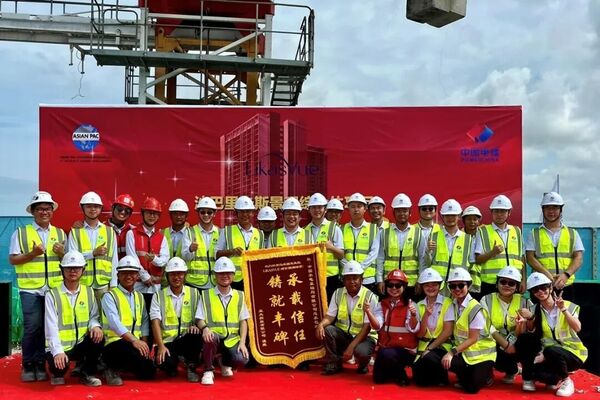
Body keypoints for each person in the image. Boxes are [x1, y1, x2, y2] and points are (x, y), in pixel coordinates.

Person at [9, 191, 66, 382]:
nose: (44, 212)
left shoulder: (60, 233)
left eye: (47, 209)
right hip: (30, 289)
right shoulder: (21, 233)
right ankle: (28, 364)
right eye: (40, 209)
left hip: (53, 289)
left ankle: (41, 363)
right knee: (32, 327)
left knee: (47, 328)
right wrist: (32, 254)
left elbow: (67, 261)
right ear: (33, 211)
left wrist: (62, 253)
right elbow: (13, 259)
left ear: (52, 211)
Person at [515, 272, 587, 397]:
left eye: (543, 287)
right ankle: (535, 378)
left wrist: (563, 309)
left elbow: (577, 327)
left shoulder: (568, 305)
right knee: (526, 342)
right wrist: (528, 320)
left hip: (573, 354)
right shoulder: (533, 310)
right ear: (532, 293)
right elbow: (529, 334)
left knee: (551, 350)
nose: (540, 292)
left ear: (551, 288)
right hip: (548, 354)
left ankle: (567, 381)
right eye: (535, 289)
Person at [44, 251, 104, 386]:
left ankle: (87, 373)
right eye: (68, 268)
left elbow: (94, 316)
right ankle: (57, 371)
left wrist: (95, 326)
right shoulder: (52, 295)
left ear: (83, 270)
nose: (73, 271)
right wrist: (58, 352)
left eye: (77, 268)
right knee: (59, 369)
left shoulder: (88, 291)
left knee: (99, 337)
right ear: (62, 270)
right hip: (61, 346)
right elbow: (50, 327)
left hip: (80, 343)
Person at [316, 261, 378, 375]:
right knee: (327, 329)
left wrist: (351, 348)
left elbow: (366, 328)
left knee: (362, 352)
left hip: (365, 337)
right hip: (345, 335)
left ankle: (363, 365)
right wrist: (321, 324)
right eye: (348, 278)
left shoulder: (370, 296)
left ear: (362, 279)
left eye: (355, 278)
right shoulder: (338, 293)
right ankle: (334, 363)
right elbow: (330, 317)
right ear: (343, 280)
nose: (352, 281)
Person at [101, 256, 155, 385]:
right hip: (114, 343)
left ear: (137, 276)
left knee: (149, 372)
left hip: (134, 343)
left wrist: (144, 344)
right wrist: (135, 341)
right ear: (118, 275)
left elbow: (144, 321)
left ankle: (125, 366)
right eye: (124, 273)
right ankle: (109, 367)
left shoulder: (139, 296)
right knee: (126, 350)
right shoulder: (109, 296)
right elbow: (114, 323)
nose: (128, 276)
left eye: (132, 273)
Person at [196, 257, 250, 385]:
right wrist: (205, 328)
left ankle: (224, 363)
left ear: (233, 275)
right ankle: (208, 370)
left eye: (228, 273)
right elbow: (199, 318)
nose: (225, 276)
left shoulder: (240, 295)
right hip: (213, 338)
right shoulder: (206, 295)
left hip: (232, 340)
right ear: (215, 275)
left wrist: (242, 343)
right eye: (221, 273)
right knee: (210, 338)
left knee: (242, 359)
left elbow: (243, 321)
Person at [442, 267, 496, 394]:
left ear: (469, 286)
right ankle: (465, 374)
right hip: (465, 353)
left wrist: (451, 353)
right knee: (440, 358)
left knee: (471, 389)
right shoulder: (452, 305)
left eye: (461, 285)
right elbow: (447, 331)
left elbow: (473, 338)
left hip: (483, 355)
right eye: (453, 286)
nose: (457, 289)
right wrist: (430, 349)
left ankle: (486, 373)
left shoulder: (475, 308)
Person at [150, 257, 202, 382]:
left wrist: (196, 326)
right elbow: (155, 323)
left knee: (195, 335)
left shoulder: (194, 293)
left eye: (180, 274)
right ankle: (174, 363)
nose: (176, 277)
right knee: (165, 363)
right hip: (168, 342)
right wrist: (161, 346)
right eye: (173, 274)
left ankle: (191, 366)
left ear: (185, 275)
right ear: (167, 276)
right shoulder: (159, 296)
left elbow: (200, 317)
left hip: (186, 339)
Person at [525, 192, 584, 299]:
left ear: (561, 209)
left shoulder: (572, 233)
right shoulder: (534, 233)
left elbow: (578, 258)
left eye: (555, 208)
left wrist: (566, 275)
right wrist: (547, 275)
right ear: (542, 209)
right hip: (541, 286)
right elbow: (530, 258)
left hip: (566, 285)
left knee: (566, 310)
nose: (551, 211)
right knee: (539, 311)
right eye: (547, 208)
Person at [365, 269, 418, 385]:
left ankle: (401, 375)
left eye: (398, 285)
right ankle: (394, 371)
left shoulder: (411, 305)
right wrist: (368, 313)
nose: (394, 288)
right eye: (390, 285)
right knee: (378, 379)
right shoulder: (381, 304)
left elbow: (414, 328)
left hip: (407, 351)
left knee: (386, 355)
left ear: (404, 287)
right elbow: (377, 326)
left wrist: (413, 316)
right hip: (386, 349)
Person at [480, 266, 530, 384]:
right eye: (503, 282)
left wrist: (527, 319)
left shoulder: (525, 302)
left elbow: (532, 325)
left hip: (516, 340)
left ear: (517, 287)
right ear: (497, 284)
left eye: (511, 283)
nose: (506, 285)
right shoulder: (486, 299)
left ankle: (525, 374)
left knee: (529, 342)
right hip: (494, 341)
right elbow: (486, 326)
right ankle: (490, 370)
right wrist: (506, 344)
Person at [68, 191, 118, 301]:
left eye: (96, 206)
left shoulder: (109, 232)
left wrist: (113, 285)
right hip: (82, 284)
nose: (93, 209)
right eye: (89, 206)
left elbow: (114, 260)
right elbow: (72, 259)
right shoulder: (75, 232)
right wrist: (93, 253)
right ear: (83, 208)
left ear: (100, 208)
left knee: (104, 312)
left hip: (104, 285)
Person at [474, 195, 525, 297]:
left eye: (503, 211)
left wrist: (523, 280)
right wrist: (492, 253)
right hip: (491, 284)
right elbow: (477, 260)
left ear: (509, 212)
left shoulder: (517, 231)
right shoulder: (482, 231)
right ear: (491, 212)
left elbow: (522, 258)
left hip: (514, 282)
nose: (499, 214)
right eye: (496, 211)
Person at [412, 268, 453, 387]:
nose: (431, 288)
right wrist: (426, 315)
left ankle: (442, 376)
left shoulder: (448, 303)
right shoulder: (419, 305)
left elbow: (448, 332)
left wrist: (430, 348)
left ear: (440, 286)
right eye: (427, 285)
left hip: (442, 345)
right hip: (424, 346)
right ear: (422, 287)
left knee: (429, 357)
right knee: (419, 381)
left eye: (434, 284)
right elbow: (420, 334)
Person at [125, 196, 169, 310]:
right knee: (137, 315)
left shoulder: (161, 237)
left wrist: (154, 259)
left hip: (156, 287)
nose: (152, 216)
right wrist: (145, 276)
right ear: (143, 213)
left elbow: (165, 260)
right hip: (137, 285)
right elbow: (132, 258)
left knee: (154, 317)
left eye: (155, 213)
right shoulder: (132, 234)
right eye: (149, 212)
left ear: (159, 216)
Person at [376, 193, 421, 299]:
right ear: (393, 212)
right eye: (398, 210)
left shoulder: (418, 233)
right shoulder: (384, 233)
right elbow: (380, 258)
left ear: (410, 212)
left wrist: (420, 281)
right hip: (390, 284)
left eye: (405, 210)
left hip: (411, 284)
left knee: (411, 309)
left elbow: (422, 260)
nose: (402, 213)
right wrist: (379, 280)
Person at [215, 195, 264, 291]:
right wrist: (231, 251)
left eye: (248, 211)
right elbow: (216, 255)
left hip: (252, 280)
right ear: (236, 213)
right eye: (241, 212)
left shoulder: (260, 234)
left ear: (252, 213)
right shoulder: (227, 231)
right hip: (233, 281)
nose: (245, 215)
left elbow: (261, 259)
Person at [304, 193, 345, 301]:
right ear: (309, 209)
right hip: (311, 276)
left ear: (325, 209)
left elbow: (341, 255)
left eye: (320, 207)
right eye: (313, 207)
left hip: (330, 277)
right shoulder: (304, 230)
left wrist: (331, 247)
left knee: (330, 309)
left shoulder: (334, 228)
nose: (317, 210)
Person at [428, 199, 473, 295]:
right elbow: (427, 262)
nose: (450, 218)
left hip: (458, 287)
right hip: (437, 286)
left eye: (453, 215)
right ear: (442, 216)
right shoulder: (433, 236)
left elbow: (472, 265)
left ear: (459, 216)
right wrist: (428, 251)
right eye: (447, 215)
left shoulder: (468, 239)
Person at [341, 193, 380, 294]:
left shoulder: (374, 229)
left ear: (365, 208)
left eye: (359, 206)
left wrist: (358, 269)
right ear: (348, 208)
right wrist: (350, 269)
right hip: (347, 278)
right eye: (353, 206)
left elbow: (374, 253)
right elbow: (339, 254)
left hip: (368, 278)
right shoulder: (342, 229)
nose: (356, 209)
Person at [182, 197, 220, 290]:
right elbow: (184, 257)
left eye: (209, 212)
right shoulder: (189, 232)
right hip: (194, 283)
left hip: (215, 283)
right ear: (198, 213)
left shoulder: (220, 233)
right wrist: (190, 249)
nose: (206, 215)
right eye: (202, 212)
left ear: (214, 213)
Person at [106, 194, 136, 259]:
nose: (123, 212)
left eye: (127, 210)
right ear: (113, 208)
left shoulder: (133, 231)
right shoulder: (102, 228)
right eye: (120, 209)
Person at [461, 205, 483, 296]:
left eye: (475, 219)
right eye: (469, 219)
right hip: (462, 279)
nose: (472, 222)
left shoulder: (483, 235)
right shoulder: (459, 236)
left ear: (479, 221)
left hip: (481, 279)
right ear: (463, 220)